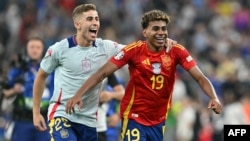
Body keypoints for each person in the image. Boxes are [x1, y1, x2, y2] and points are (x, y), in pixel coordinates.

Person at [65, 9, 223, 141]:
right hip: (134, 116)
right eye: (156, 29)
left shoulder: (176, 51)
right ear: (145, 32)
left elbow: (201, 78)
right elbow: (102, 73)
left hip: (159, 120)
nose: (161, 32)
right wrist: (79, 94)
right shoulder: (134, 51)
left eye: (163, 29)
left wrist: (214, 97)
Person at [32, 4, 175, 141]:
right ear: (77, 24)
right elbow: (41, 76)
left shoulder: (105, 47)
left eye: (97, 19)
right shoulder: (59, 49)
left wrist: (159, 40)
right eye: (89, 19)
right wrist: (36, 112)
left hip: (89, 121)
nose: (95, 23)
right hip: (62, 114)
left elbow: (138, 50)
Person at [2, 36, 54, 141]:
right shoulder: (18, 69)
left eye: (38, 47)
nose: (35, 50)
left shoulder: (51, 70)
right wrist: (14, 90)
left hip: (44, 121)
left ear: (43, 50)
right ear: (26, 49)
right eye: (32, 47)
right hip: (22, 121)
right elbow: (5, 92)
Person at [97, 73, 124, 141]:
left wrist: (117, 115)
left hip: (106, 125)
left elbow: (123, 96)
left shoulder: (108, 74)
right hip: (84, 121)